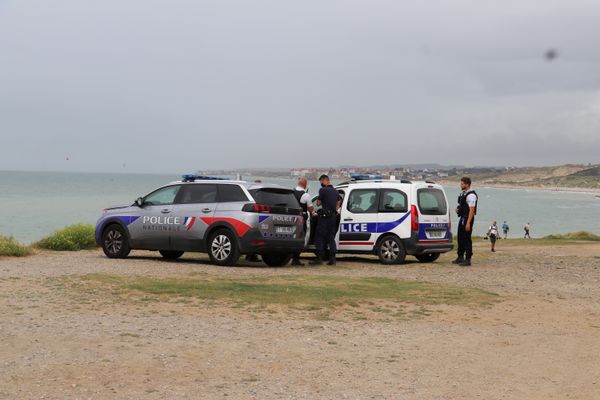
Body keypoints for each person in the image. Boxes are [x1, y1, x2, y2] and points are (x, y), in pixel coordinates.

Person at [310, 174, 341, 266]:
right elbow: (339, 201)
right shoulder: (335, 191)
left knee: (319, 236)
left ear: (324, 181)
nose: (320, 184)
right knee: (331, 237)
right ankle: (332, 258)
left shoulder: (322, 190)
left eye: (321, 182)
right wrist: (336, 209)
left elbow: (318, 203)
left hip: (324, 217)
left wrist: (321, 201)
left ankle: (319, 257)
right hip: (332, 217)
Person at [452, 176, 478, 267]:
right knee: (460, 237)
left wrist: (468, 223)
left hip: (467, 218)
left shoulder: (471, 195)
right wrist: (458, 209)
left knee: (467, 238)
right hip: (463, 217)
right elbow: (463, 205)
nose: (460, 185)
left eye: (462, 184)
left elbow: (472, 210)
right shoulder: (464, 193)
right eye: (461, 183)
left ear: (467, 184)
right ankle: (460, 256)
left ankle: (468, 259)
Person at [291, 177, 314, 266]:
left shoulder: (292, 192)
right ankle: (296, 259)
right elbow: (310, 208)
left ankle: (292, 257)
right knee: (301, 237)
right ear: (304, 184)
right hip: (301, 218)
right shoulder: (305, 195)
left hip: (292, 217)